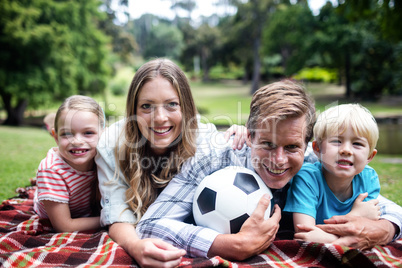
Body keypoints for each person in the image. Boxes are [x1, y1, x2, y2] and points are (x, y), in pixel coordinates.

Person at [137, 80, 402, 261]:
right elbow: (149, 226)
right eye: (267, 144)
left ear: (309, 145)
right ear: (249, 136)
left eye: (291, 147)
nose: (278, 160)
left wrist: (384, 230)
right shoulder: (212, 159)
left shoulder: (315, 163)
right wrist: (223, 244)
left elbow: (388, 208)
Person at [95, 58, 247, 268]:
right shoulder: (111, 143)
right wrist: (135, 246)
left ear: (186, 108)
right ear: (133, 110)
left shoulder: (204, 139)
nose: (159, 118)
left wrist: (242, 138)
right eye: (146, 106)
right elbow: (118, 215)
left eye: (171, 104)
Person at [284, 104, 381, 244]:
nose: (346, 150)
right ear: (317, 149)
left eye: (357, 144)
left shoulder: (369, 178)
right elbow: (304, 233)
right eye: (336, 141)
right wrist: (355, 216)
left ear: (370, 156)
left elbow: (365, 231)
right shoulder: (307, 178)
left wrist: (328, 238)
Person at [34, 95, 104, 232]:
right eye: (67, 134)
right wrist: (112, 218)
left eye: (88, 133)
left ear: (103, 134)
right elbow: (64, 226)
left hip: (85, 208)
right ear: (55, 137)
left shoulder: (103, 155)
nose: (77, 141)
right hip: (60, 215)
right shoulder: (51, 170)